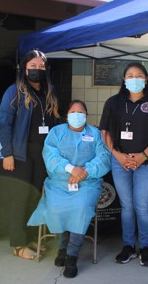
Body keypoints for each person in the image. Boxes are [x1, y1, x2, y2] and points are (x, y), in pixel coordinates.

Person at [27, 100, 111, 278]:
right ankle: (61, 249)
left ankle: (72, 255)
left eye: (81, 112)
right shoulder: (56, 133)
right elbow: (50, 156)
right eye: (73, 111)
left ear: (86, 116)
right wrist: (71, 169)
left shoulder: (95, 134)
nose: (77, 115)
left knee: (80, 207)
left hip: (87, 183)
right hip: (59, 181)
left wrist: (84, 172)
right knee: (56, 208)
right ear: (67, 115)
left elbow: (103, 158)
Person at [99, 62, 148, 267]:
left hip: (147, 164)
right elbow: (105, 132)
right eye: (130, 75)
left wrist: (143, 156)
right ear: (124, 80)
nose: (134, 79)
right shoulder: (113, 102)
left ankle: (145, 248)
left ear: (146, 79)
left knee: (143, 206)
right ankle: (128, 246)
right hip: (120, 162)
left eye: (139, 75)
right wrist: (117, 155)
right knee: (127, 206)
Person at [0, 49, 59, 260]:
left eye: (41, 67)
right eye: (33, 66)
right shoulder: (14, 92)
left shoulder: (49, 92)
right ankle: (17, 243)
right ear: (24, 68)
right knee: (20, 199)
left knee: (35, 198)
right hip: (22, 155)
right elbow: (4, 124)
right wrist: (7, 154)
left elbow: (55, 124)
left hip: (44, 156)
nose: (37, 70)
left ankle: (31, 236)